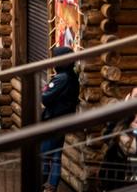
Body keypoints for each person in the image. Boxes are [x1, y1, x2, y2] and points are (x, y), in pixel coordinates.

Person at [40, 45, 80, 192]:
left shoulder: (61, 78)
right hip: (64, 121)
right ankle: (51, 186)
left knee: (44, 156)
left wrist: (44, 90)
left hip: (54, 121)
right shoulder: (72, 76)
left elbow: (45, 97)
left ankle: (41, 183)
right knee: (56, 156)